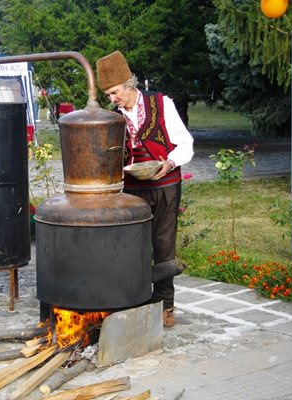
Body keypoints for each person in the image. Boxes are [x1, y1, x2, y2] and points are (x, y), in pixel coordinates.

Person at [96, 51, 194, 327]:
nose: (112, 98)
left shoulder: (161, 103)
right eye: (107, 95)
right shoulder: (114, 118)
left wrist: (170, 162)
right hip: (132, 190)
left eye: (114, 92)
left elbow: (185, 143)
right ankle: (136, 301)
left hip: (165, 184)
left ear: (129, 84)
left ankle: (165, 306)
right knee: (133, 248)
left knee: (163, 245)